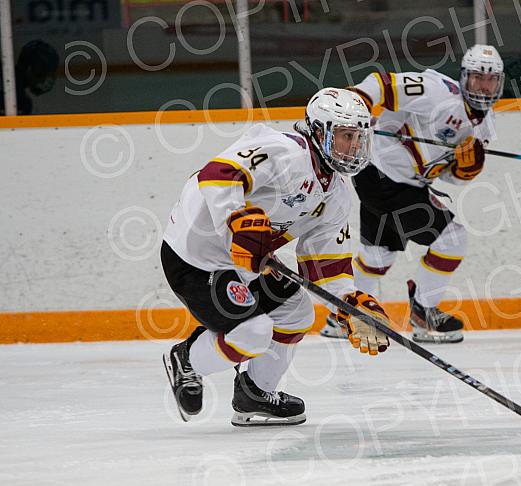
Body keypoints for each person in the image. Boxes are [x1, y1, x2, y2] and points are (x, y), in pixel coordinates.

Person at [161, 88, 391, 426]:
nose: (355, 146)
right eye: (346, 136)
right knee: (252, 332)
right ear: (320, 132)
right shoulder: (282, 151)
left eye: (359, 137)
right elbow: (217, 175)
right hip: (195, 255)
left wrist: (350, 302)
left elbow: (325, 266)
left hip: (245, 263)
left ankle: (254, 393)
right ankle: (187, 361)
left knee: (296, 313)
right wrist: (237, 219)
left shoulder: (338, 195)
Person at [320, 45, 503, 344]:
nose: (484, 86)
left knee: (378, 253)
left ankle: (343, 316)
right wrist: (353, 111)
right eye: (477, 78)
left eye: (491, 80)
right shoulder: (437, 91)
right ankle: (424, 311)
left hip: (393, 180)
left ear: (500, 83)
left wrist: (465, 171)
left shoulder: (486, 126)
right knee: (452, 239)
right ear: (464, 78)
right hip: (383, 176)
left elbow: (447, 175)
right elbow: (381, 84)